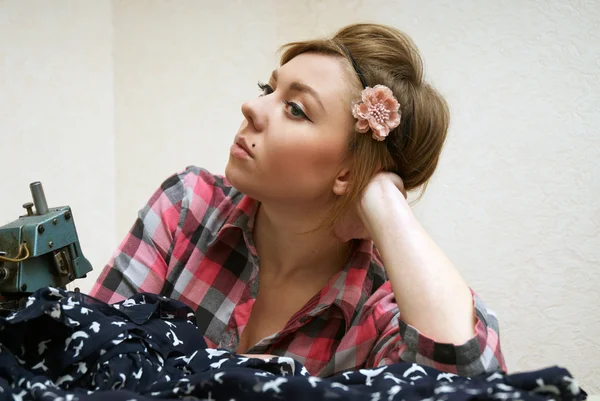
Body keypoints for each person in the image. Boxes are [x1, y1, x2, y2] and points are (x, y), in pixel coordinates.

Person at [89, 23, 506, 378]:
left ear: (348, 173)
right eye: (266, 89)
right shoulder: (188, 208)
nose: (251, 107)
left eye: (294, 108)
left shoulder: (379, 306)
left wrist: (383, 200)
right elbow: (84, 355)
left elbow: (467, 378)